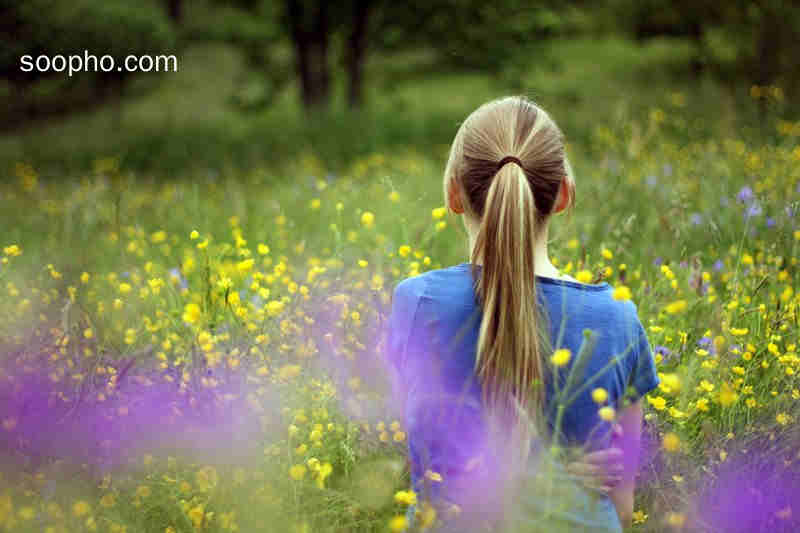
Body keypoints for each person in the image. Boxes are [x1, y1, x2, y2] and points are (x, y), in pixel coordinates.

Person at [384, 95, 660, 532]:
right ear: (564, 196)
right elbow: (622, 510)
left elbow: (420, 447)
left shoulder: (415, 303)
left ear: (454, 194)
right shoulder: (617, 319)